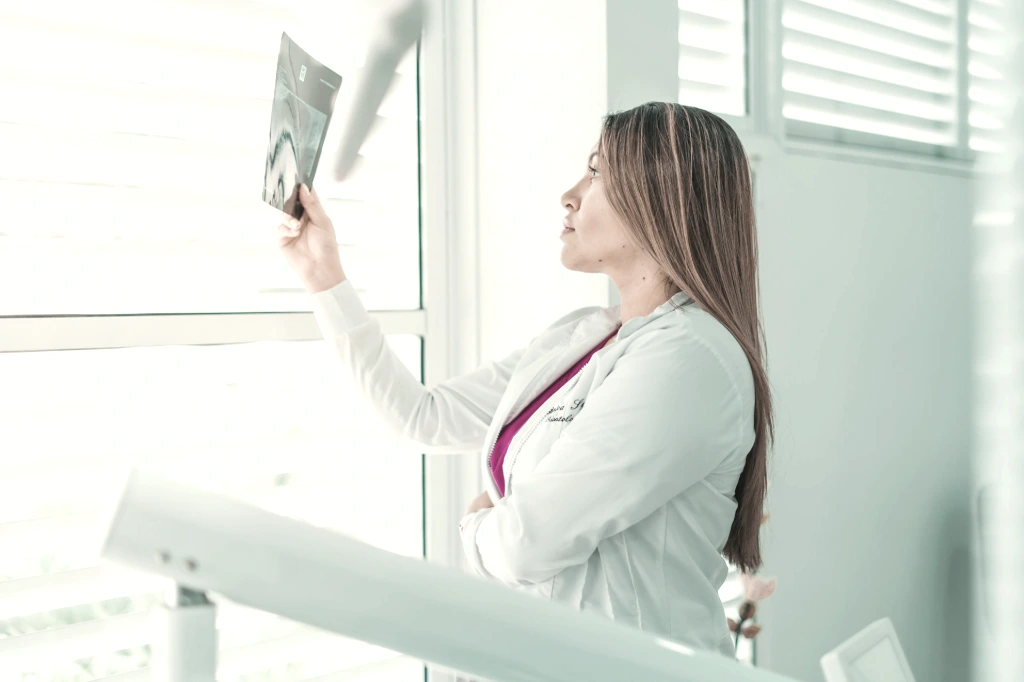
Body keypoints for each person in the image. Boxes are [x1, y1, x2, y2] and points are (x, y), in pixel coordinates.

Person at [277, 101, 772, 657]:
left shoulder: (691, 359)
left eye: (597, 172)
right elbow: (420, 418)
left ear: (663, 199)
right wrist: (324, 275)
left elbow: (524, 547)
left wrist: (475, 526)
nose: (570, 193)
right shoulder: (583, 338)